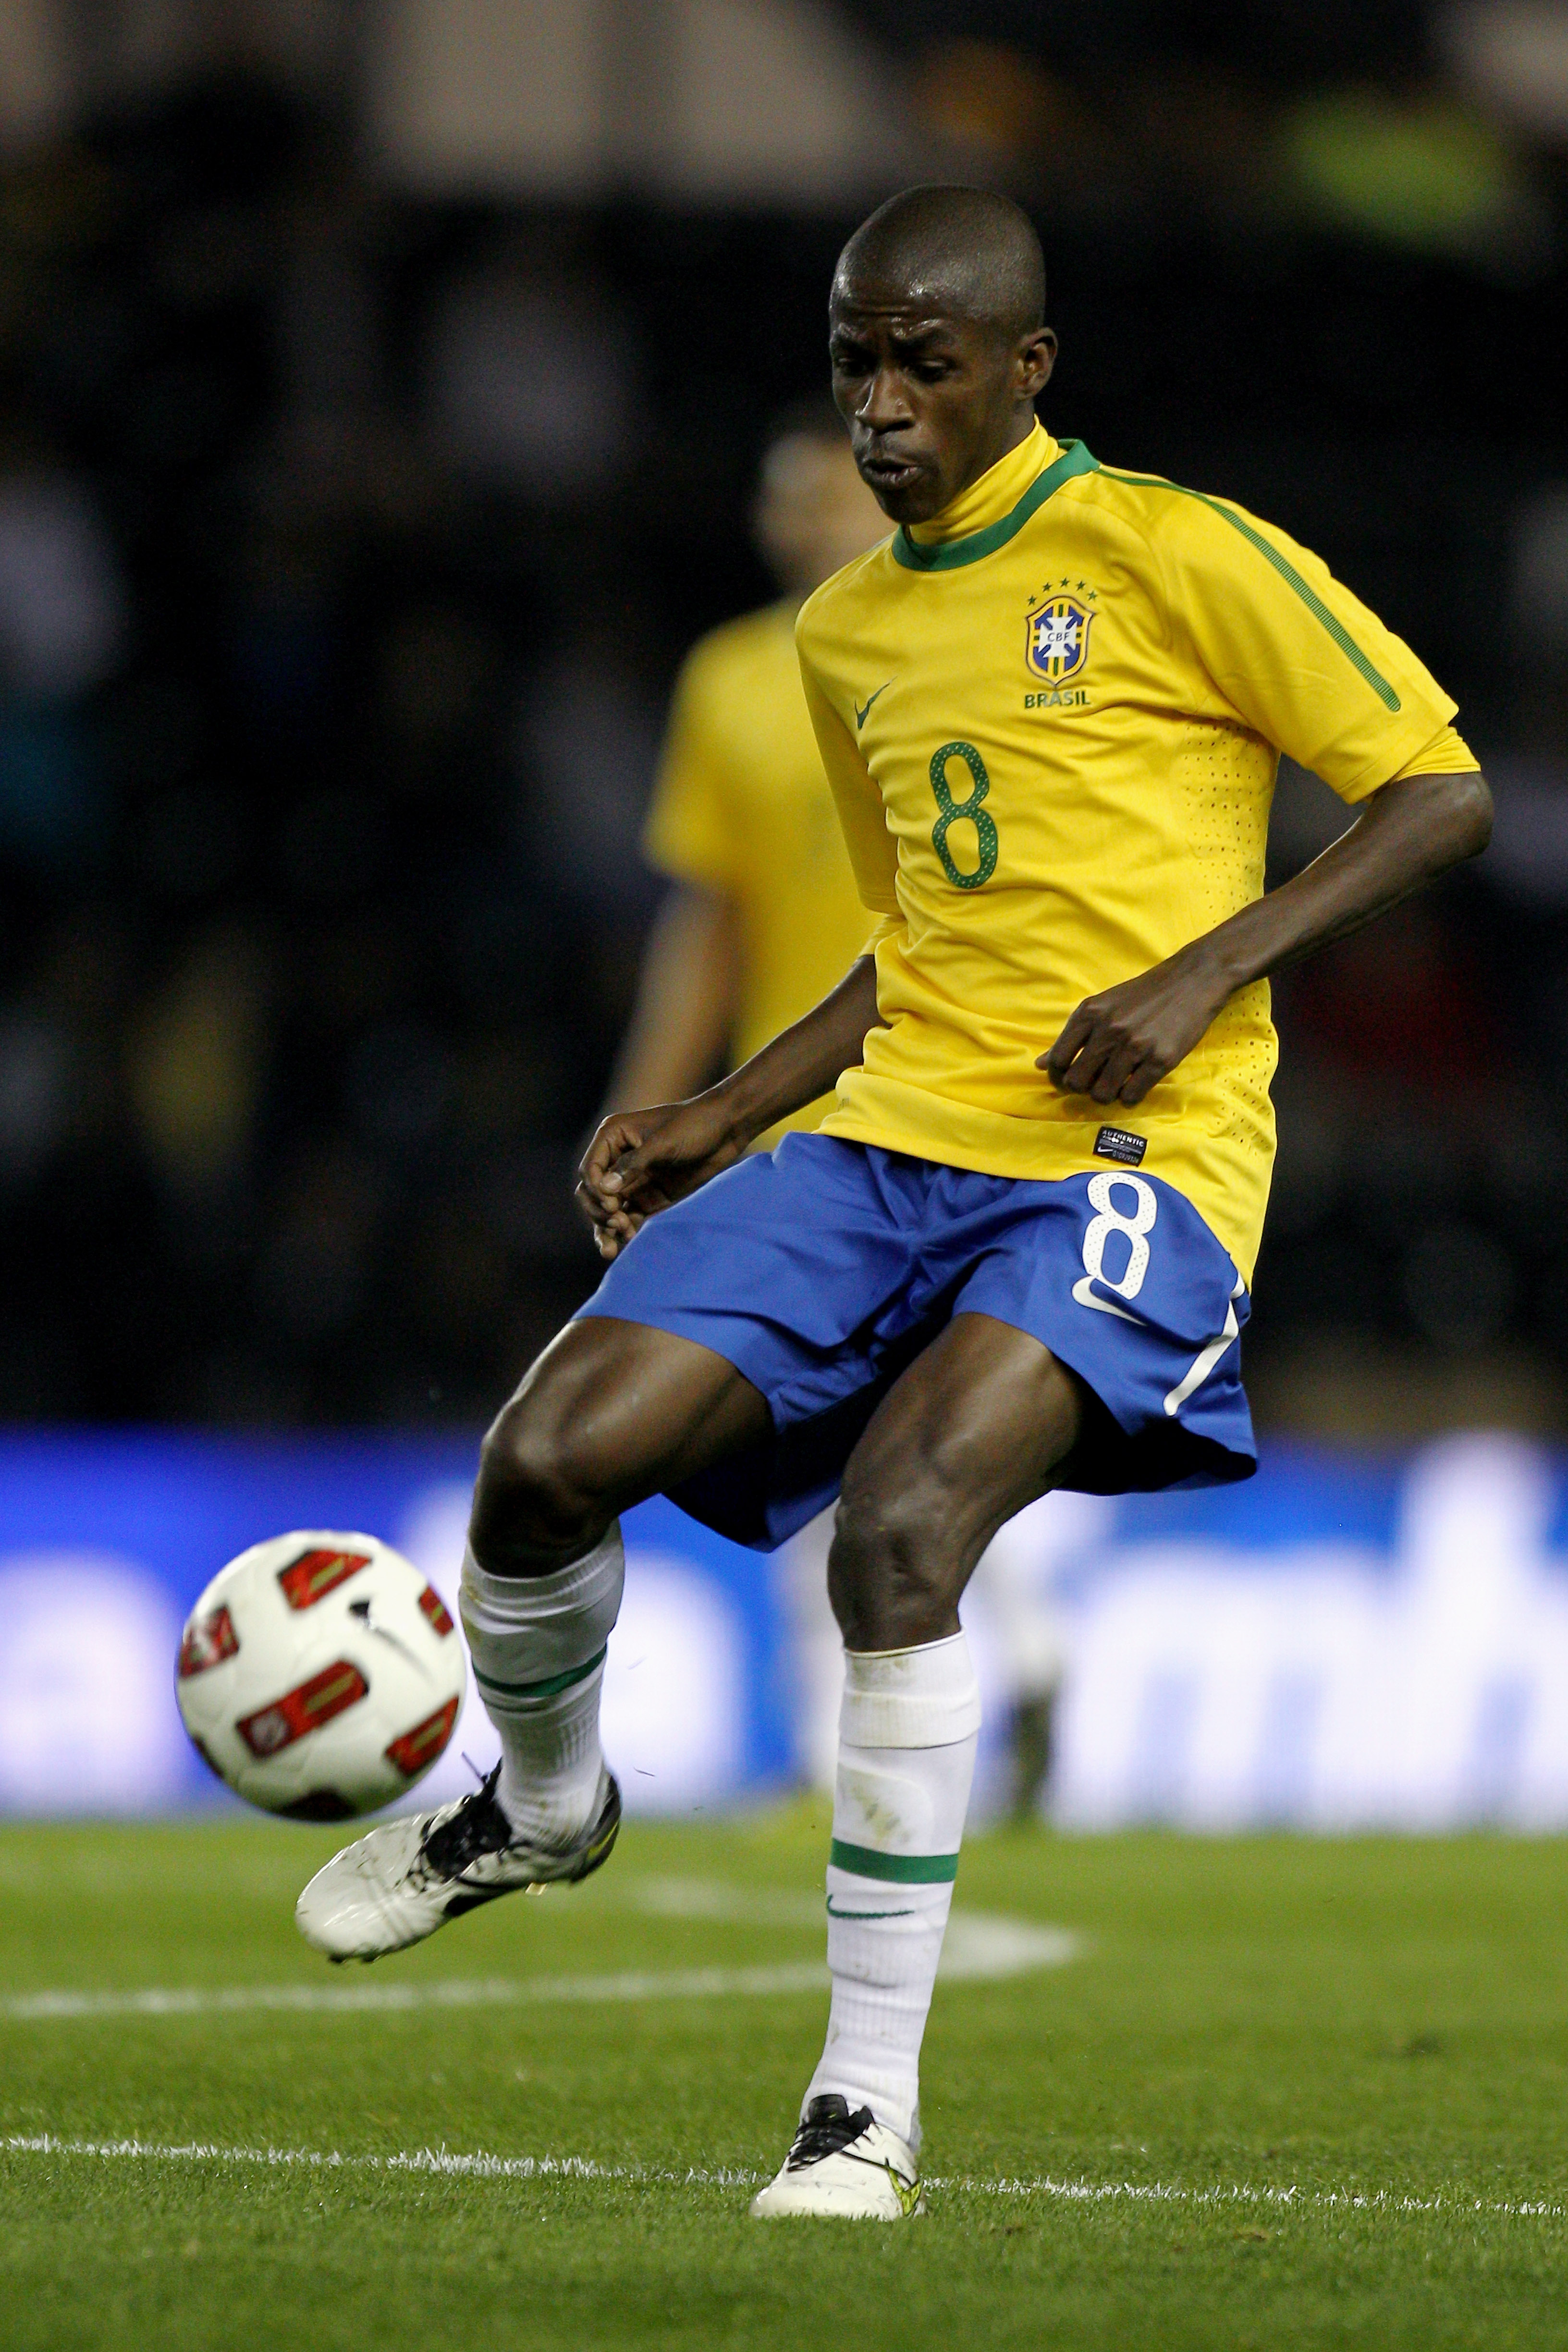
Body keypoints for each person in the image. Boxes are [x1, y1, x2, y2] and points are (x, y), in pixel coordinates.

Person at [296, 186, 1491, 2220]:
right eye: (856, 359)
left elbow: (1438, 788)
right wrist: (717, 1110)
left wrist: (1206, 968)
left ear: (1027, 368)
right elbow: (914, 945)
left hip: (1131, 1163)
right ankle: (549, 1806)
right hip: (888, 1135)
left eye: (925, 361)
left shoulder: (1173, 550)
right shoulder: (842, 637)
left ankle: (861, 2109)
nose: (881, 404)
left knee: (912, 1523)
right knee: (543, 1461)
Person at [609, 403, 1066, 1806]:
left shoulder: (974, 657)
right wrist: (659, 1100)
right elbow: (711, 919)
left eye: (833, 498)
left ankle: (1009, 1657)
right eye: (789, 501)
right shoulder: (732, 681)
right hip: (800, 1108)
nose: (809, 521)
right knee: (824, 1426)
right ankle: (894, 1729)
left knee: (943, 1406)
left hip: (966, 1085)